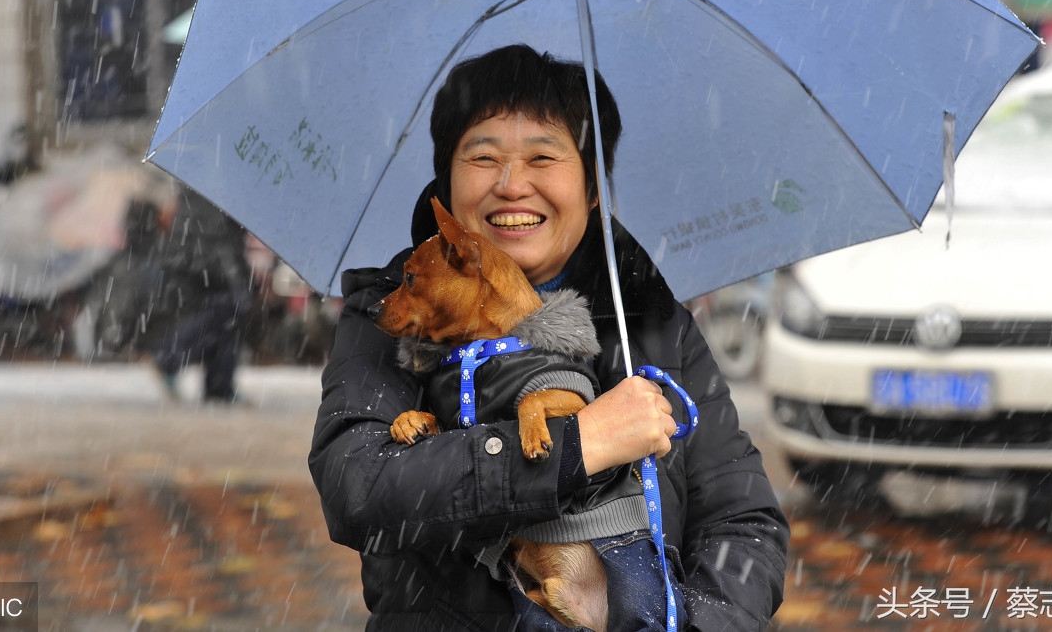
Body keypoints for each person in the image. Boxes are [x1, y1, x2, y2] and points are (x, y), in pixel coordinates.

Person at [309, 44, 789, 630]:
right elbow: (360, 488)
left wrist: (684, 622)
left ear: (591, 188)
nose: (512, 186)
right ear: (447, 184)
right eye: (483, 157)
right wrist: (571, 449)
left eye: (543, 156)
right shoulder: (393, 316)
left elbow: (744, 523)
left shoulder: (652, 321)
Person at [149, 186, 253, 403]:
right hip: (205, 256)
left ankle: (219, 386)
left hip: (193, 254)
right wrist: (235, 271)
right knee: (229, 309)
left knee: (227, 315)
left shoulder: (204, 174)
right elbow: (217, 230)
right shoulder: (222, 182)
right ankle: (169, 355)